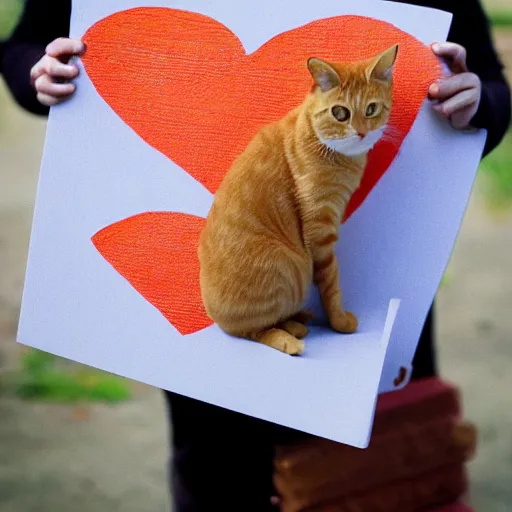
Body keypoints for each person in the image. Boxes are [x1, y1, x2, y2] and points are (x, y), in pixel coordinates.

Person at [2, 1, 510, 510]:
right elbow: (24, 47)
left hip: (372, 277)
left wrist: (477, 102)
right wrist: (39, 75)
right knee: (222, 468)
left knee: (379, 472)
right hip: (210, 306)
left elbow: (489, 84)